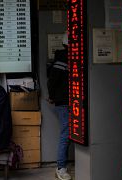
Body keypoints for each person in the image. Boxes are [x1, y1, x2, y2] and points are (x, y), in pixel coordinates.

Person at [47, 32, 72, 180]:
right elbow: (53, 81)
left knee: (67, 134)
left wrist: (52, 97)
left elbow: (52, 81)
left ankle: (62, 166)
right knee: (66, 134)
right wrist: (53, 96)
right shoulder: (64, 58)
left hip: (65, 102)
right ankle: (61, 167)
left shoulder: (61, 58)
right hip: (65, 103)